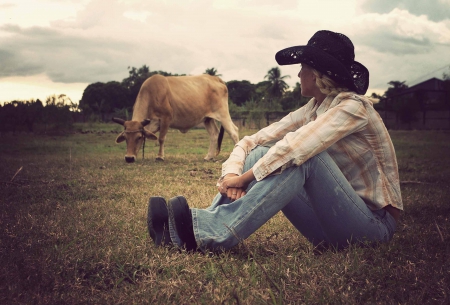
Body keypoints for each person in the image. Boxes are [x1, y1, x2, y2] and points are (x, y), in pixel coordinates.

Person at [147, 30, 403, 253]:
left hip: (372, 227)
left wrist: (245, 179)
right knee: (261, 153)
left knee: (303, 158)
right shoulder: (314, 108)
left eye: (303, 68)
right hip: (330, 227)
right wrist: (232, 176)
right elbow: (250, 141)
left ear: (316, 75)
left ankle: (203, 232)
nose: (299, 74)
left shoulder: (354, 108)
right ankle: (187, 227)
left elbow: (296, 148)